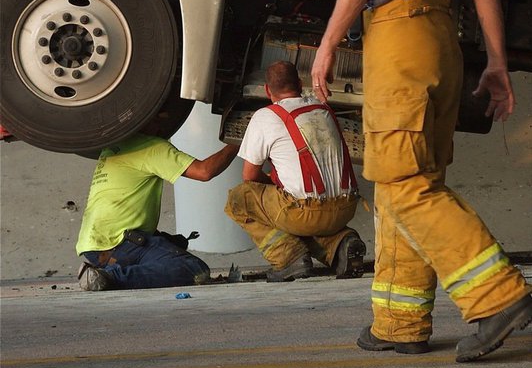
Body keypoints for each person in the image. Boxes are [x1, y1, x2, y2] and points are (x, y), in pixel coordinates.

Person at [310, 0, 532, 362]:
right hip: (446, 40)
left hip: (399, 40)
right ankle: (399, 323)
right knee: (407, 182)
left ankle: (499, 296)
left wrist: (329, 43)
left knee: (403, 183)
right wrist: (495, 62)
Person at [225, 60, 366, 282]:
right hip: (346, 207)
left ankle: (288, 257)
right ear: (300, 84)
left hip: (304, 212)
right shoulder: (323, 109)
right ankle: (341, 245)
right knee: (294, 210)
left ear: (267, 90)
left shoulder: (265, 117)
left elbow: (250, 178)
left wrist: (276, 186)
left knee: (239, 198)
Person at [76, 116, 239, 291]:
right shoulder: (151, 147)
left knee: (166, 250)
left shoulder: (112, 148)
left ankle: (103, 273)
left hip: (93, 248)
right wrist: (239, 142)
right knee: (194, 269)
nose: (163, 125)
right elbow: (205, 171)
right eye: (159, 118)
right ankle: (111, 277)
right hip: (119, 243)